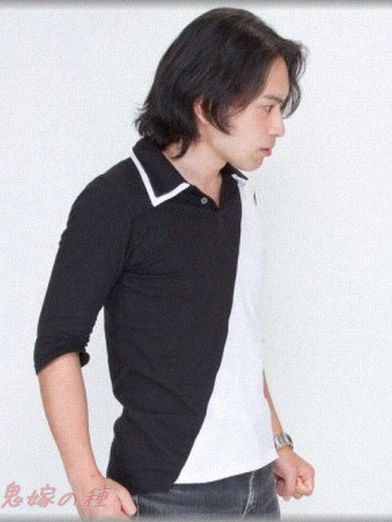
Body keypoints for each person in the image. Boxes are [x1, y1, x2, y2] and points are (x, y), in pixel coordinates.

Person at [34, 8, 313, 518]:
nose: (278, 127)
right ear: (207, 105)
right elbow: (58, 344)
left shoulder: (242, 196)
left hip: (258, 485)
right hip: (168, 492)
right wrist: (86, 481)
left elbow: (237, 336)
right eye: (268, 107)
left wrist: (277, 441)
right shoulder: (116, 201)